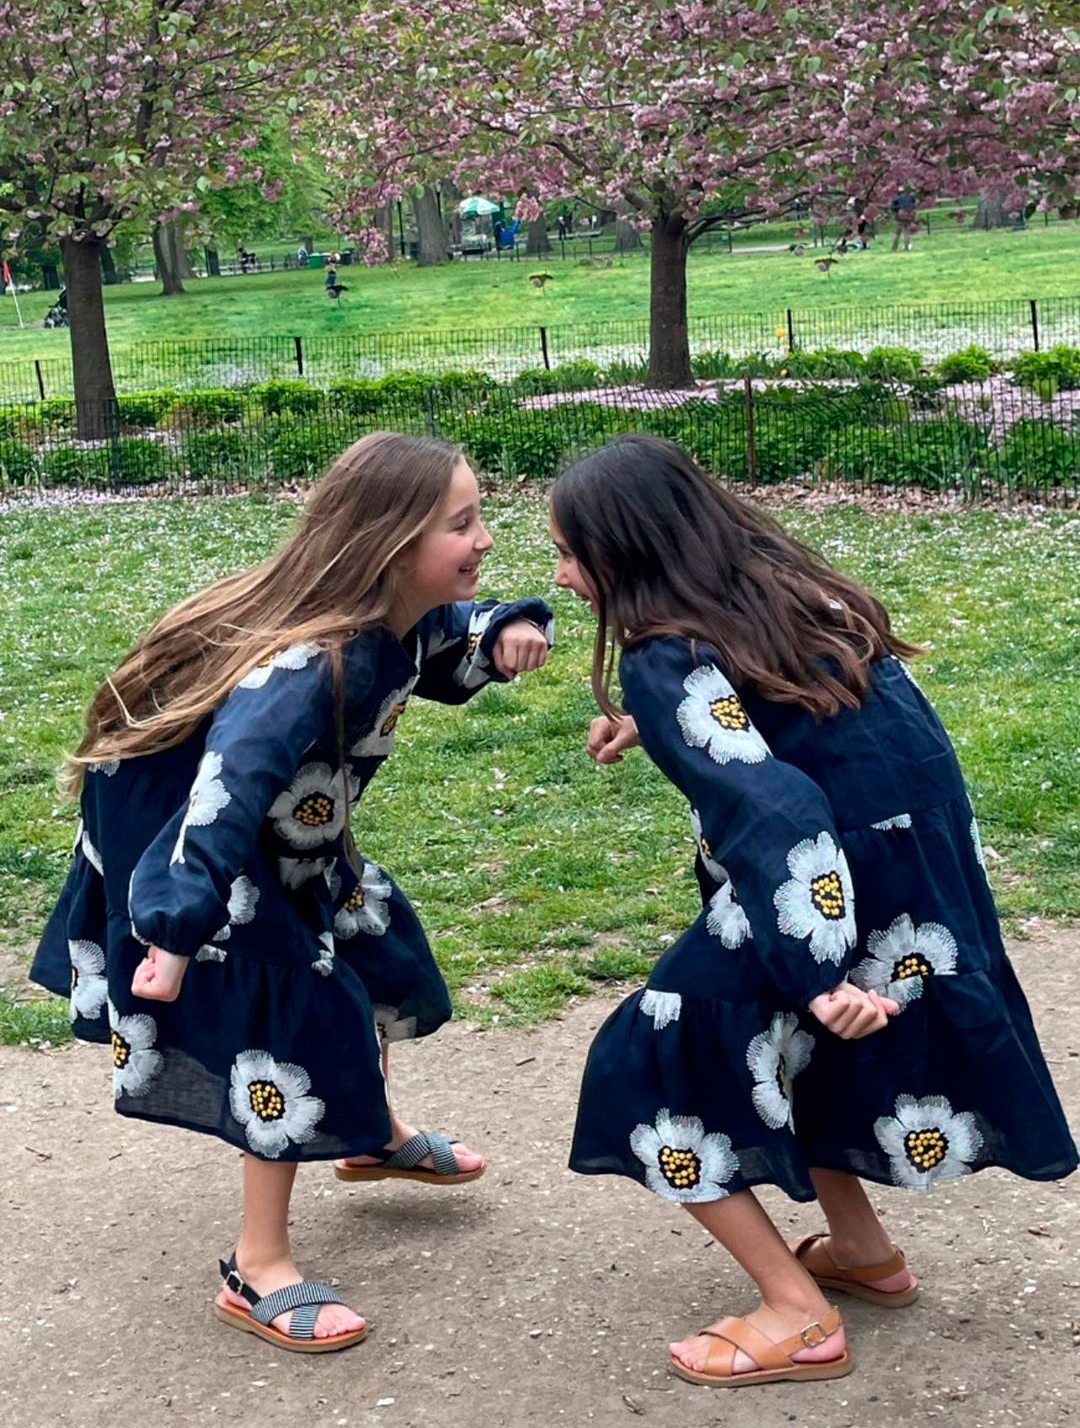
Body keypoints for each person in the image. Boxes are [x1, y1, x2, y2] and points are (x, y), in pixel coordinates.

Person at [548, 434, 1076, 1391]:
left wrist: (819, 968)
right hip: (915, 874)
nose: (563, 576)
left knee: (652, 1059)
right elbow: (807, 720)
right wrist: (659, 729)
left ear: (624, 554)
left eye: (570, 554)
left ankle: (797, 1314)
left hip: (817, 890)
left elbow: (776, 807)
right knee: (799, 1056)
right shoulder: (786, 586)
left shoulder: (666, 656)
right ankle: (864, 1251)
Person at [31, 434, 552, 1355]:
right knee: (289, 1022)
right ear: (391, 544)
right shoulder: (311, 667)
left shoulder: (398, 620)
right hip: (195, 848)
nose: (484, 538)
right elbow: (229, 783)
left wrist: (505, 624)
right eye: (462, 524)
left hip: (285, 838)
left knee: (371, 953)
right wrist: (179, 929)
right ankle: (256, 1266)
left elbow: (440, 645)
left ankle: (369, 1134)